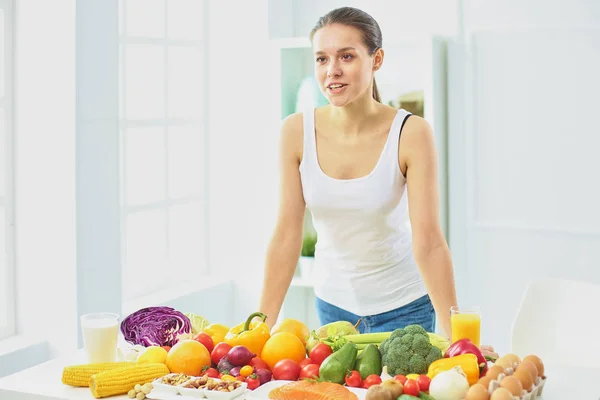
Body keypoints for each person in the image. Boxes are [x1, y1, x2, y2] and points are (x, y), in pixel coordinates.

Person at [258, 6, 457, 338]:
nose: (332, 71)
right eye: (322, 59)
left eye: (346, 57)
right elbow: (286, 236)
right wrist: (260, 327)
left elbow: (430, 242)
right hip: (333, 307)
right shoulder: (295, 132)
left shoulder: (411, 133)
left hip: (405, 305)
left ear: (376, 60)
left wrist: (457, 336)